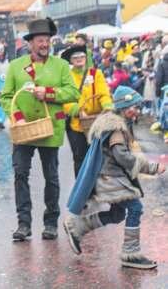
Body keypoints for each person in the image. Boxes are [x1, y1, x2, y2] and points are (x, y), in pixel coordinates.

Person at [64, 86, 165, 270]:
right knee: (135, 208)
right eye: (133, 107)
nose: (136, 110)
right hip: (111, 178)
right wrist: (152, 167)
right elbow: (122, 157)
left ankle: (77, 226)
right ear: (123, 108)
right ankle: (131, 253)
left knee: (117, 214)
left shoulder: (118, 124)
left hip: (112, 177)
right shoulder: (117, 129)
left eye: (137, 106)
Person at [0, 18, 80, 242]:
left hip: (50, 128)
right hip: (23, 130)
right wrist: (17, 117)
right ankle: (23, 224)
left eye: (47, 40)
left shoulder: (61, 66)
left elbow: (73, 93)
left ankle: (51, 223)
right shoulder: (16, 66)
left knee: (51, 177)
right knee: (20, 174)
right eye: (40, 41)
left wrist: (49, 93)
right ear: (30, 43)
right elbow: (6, 97)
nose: (45, 44)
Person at [61, 44, 112, 177]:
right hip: (76, 126)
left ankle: (97, 186)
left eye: (81, 56)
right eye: (75, 57)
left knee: (97, 158)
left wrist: (107, 106)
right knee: (80, 159)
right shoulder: (67, 76)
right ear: (70, 60)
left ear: (86, 58)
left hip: (96, 122)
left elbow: (103, 94)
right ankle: (81, 187)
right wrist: (77, 110)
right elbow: (64, 99)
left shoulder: (96, 73)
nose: (79, 59)